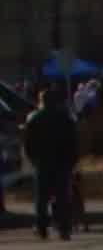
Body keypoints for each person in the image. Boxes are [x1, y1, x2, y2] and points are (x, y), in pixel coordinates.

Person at [21, 87, 78, 241]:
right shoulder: (65, 118)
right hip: (62, 162)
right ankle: (64, 228)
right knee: (62, 197)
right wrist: (72, 160)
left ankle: (41, 228)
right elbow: (73, 142)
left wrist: (33, 159)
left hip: (42, 162)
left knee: (42, 198)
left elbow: (28, 143)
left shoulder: (34, 118)